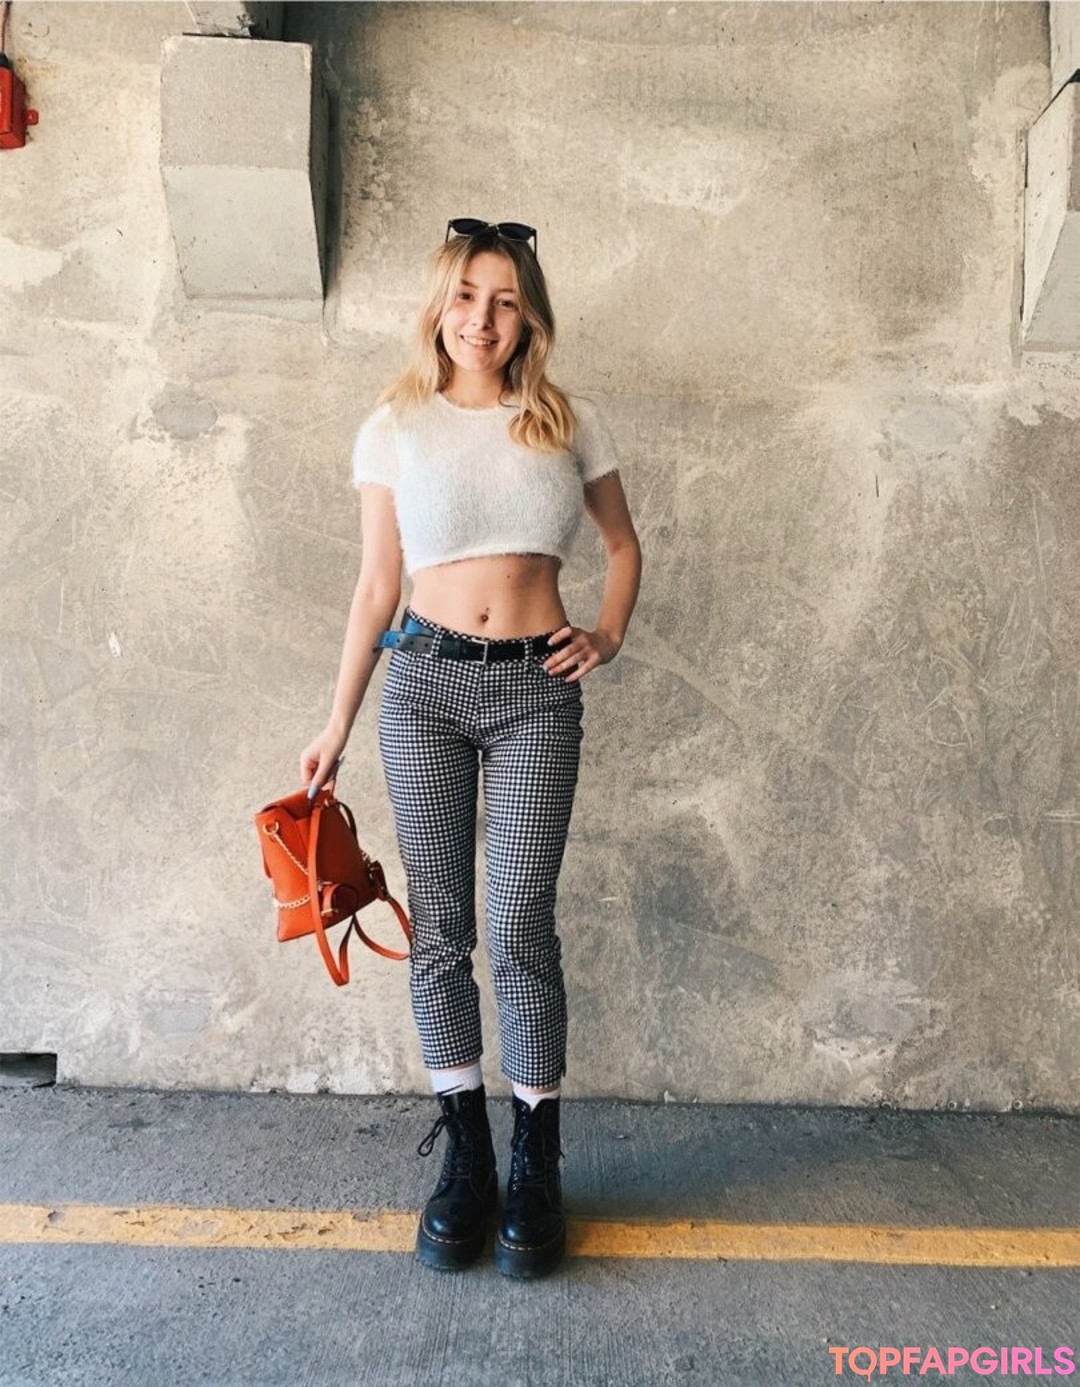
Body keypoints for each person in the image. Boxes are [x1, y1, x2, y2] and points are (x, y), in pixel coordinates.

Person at [299, 218, 642, 1279]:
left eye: (503, 301)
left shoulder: (566, 422)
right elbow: (376, 587)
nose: (481, 320)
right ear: (439, 305)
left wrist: (606, 632)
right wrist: (336, 722)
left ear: (528, 316)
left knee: (522, 920)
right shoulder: (394, 425)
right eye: (464, 297)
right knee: (441, 924)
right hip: (425, 687)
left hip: (538, 691)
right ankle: (467, 1153)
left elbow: (623, 545)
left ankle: (536, 1159)